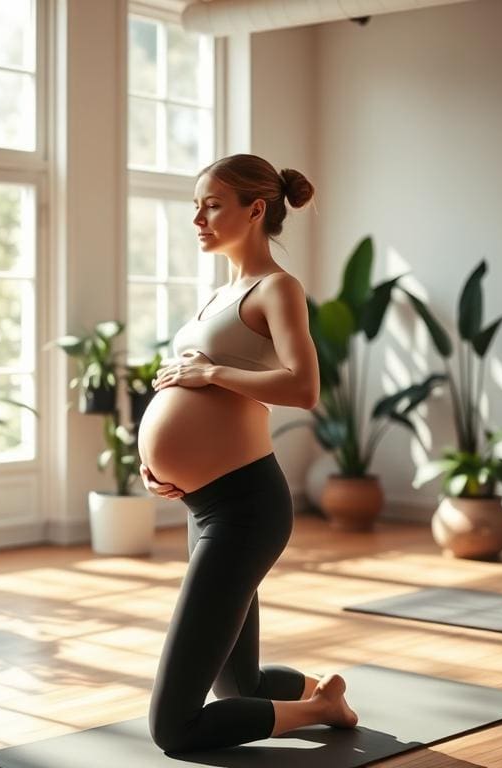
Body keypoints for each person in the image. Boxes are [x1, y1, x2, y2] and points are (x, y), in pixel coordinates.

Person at [137, 154, 359, 753]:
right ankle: (326, 697)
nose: (198, 219)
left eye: (211, 205)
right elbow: (195, 392)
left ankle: (315, 708)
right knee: (242, 682)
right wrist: (158, 464)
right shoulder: (217, 295)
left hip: (245, 509)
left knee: (176, 730)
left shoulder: (278, 289)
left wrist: (212, 371)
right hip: (204, 504)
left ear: (255, 210)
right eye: (196, 206)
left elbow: (302, 387)